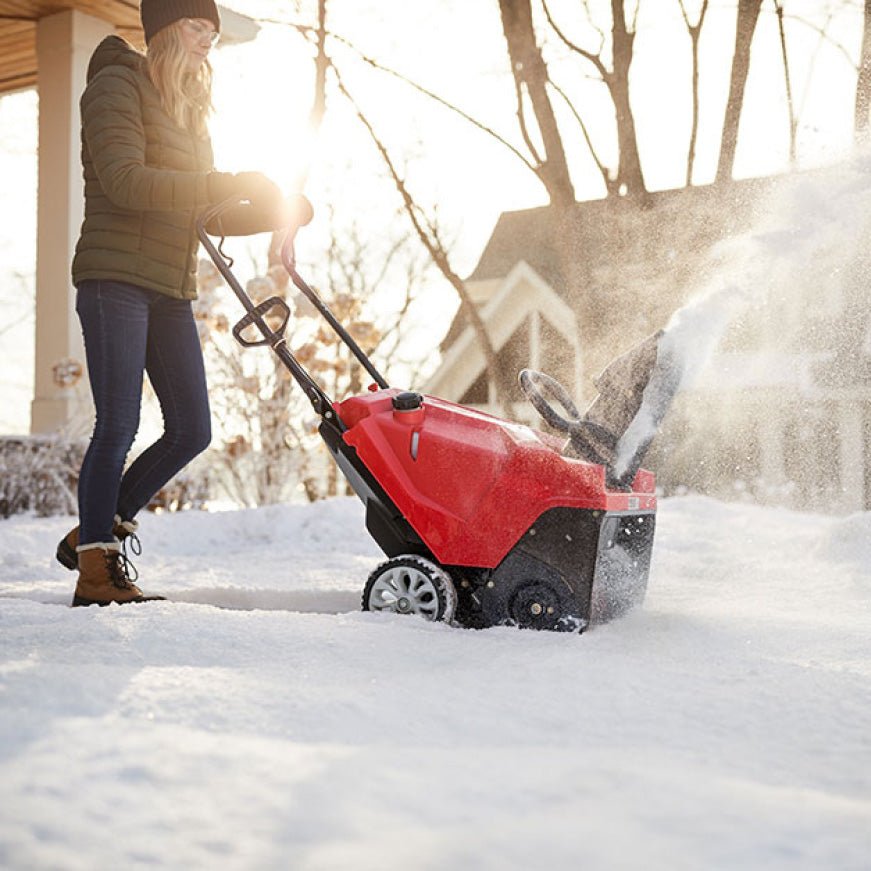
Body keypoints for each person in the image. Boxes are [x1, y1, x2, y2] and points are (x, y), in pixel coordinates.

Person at [58, 0, 299, 607]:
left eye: (213, 31)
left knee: (192, 429)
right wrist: (228, 183)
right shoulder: (115, 84)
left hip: (170, 283)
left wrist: (274, 211)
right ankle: (95, 574)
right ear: (165, 28)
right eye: (196, 26)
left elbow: (199, 209)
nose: (207, 39)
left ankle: (93, 533)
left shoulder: (189, 107)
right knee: (119, 423)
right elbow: (126, 182)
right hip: (114, 275)